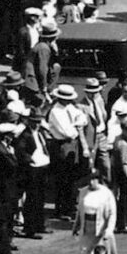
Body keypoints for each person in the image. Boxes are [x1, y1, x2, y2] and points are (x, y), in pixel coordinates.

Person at [48, 84, 90, 220]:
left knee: (71, 177)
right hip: (62, 145)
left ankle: (69, 206)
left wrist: (78, 123)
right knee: (62, 178)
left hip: (72, 145)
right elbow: (67, 132)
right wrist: (76, 126)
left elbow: (82, 118)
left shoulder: (70, 107)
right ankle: (60, 209)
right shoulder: (56, 111)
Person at [14, 106, 52, 238]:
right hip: (33, 170)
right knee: (32, 199)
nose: (37, 124)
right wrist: (31, 161)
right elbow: (20, 151)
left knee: (41, 198)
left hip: (43, 167)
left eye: (39, 121)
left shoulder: (40, 132)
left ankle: (40, 225)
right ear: (29, 121)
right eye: (34, 121)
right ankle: (30, 228)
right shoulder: (25, 135)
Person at [73, 171, 117, 254]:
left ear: (98, 180)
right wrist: (76, 226)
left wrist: (109, 230)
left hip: (101, 230)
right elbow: (80, 210)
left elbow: (112, 214)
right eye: (89, 179)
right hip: (87, 229)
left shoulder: (106, 193)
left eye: (94, 179)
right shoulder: (83, 192)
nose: (91, 182)